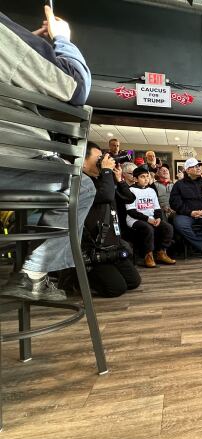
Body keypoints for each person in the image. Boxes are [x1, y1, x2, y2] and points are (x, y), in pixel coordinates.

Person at [0, 6, 95, 301]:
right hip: (13, 167)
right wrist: (63, 40)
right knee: (83, 186)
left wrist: (24, 43)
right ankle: (33, 273)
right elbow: (74, 86)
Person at [81, 142, 141, 297]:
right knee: (116, 289)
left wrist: (119, 179)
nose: (102, 160)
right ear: (83, 161)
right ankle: (76, 277)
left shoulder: (104, 180)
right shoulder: (81, 183)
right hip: (94, 248)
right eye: (98, 158)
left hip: (112, 246)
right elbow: (106, 196)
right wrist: (107, 171)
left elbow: (129, 198)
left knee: (133, 282)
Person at [169, 158, 202, 258]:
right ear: (187, 170)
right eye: (195, 166)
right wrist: (190, 212)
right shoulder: (179, 185)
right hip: (186, 214)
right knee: (180, 225)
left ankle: (192, 243)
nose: (198, 168)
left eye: (199, 166)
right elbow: (174, 203)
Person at [126, 165, 176, 267]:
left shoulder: (151, 190)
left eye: (147, 176)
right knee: (148, 228)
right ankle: (148, 255)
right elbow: (131, 211)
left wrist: (158, 218)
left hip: (151, 218)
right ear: (135, 179)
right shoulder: (130, 191)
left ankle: (161, 253)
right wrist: (147, 219)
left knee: (168, 227)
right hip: (135, 220)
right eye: (142, 177)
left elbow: (157, 208)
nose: (146, 179)